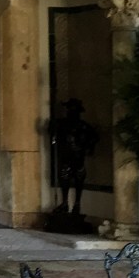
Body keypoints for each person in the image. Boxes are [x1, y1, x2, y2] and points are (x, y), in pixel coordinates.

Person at [48, 98, 97, 228]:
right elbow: (52, 133)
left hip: (78, 157)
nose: (71, 112)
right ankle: (65, 203)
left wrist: (88, 148)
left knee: (78, 179)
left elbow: (93, 137)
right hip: (65, 157)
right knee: (64, 179)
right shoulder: (61, 124)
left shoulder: (83, 126)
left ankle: (76, 204)